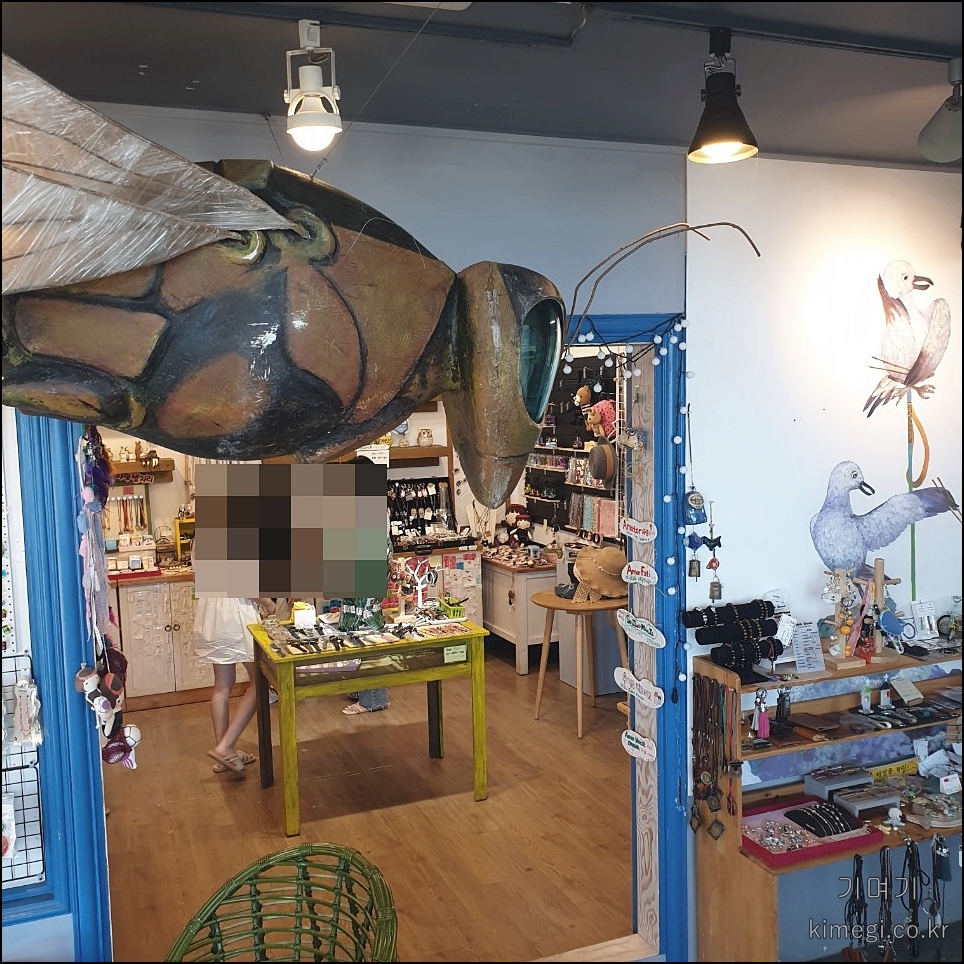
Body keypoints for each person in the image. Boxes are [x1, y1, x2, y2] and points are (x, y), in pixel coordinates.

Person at [193, 595, 265, 775]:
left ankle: (225, 755)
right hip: (236, 615)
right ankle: (226, 746)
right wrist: (268, 603)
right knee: (260, 681)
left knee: (222, 686)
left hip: (213, 614)